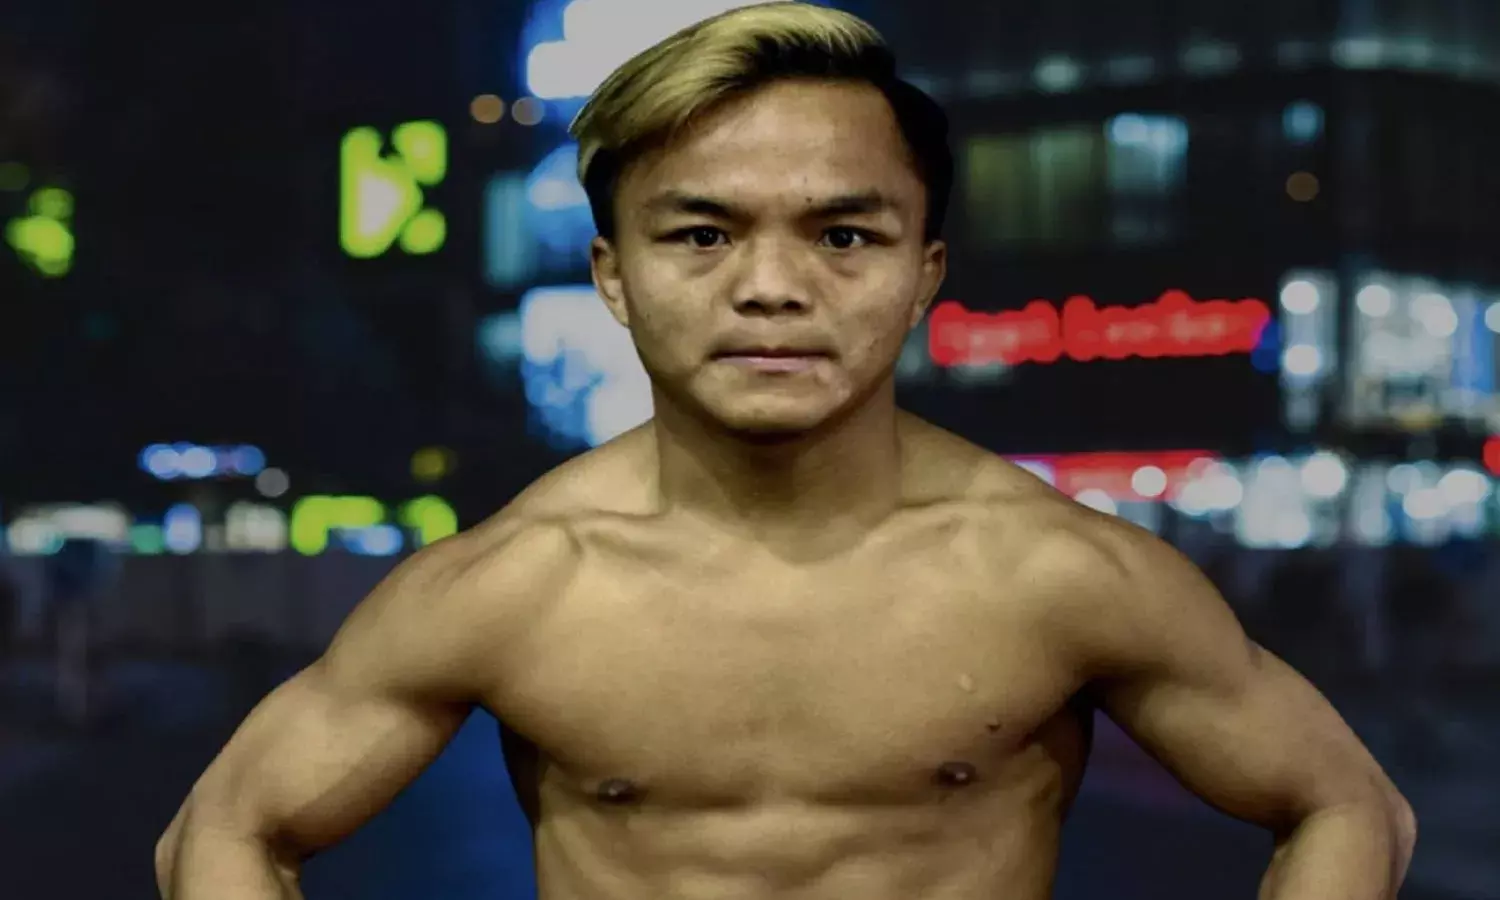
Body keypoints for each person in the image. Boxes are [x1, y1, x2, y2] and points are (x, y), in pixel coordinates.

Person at [155, 3, 1416, 898]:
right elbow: (221, 832)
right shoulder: (517, 584)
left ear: (925, 273)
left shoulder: (1055, 573)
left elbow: (1350, 806)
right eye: (701, 236)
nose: (771, 288)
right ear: (613, 275)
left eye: (844, 237)